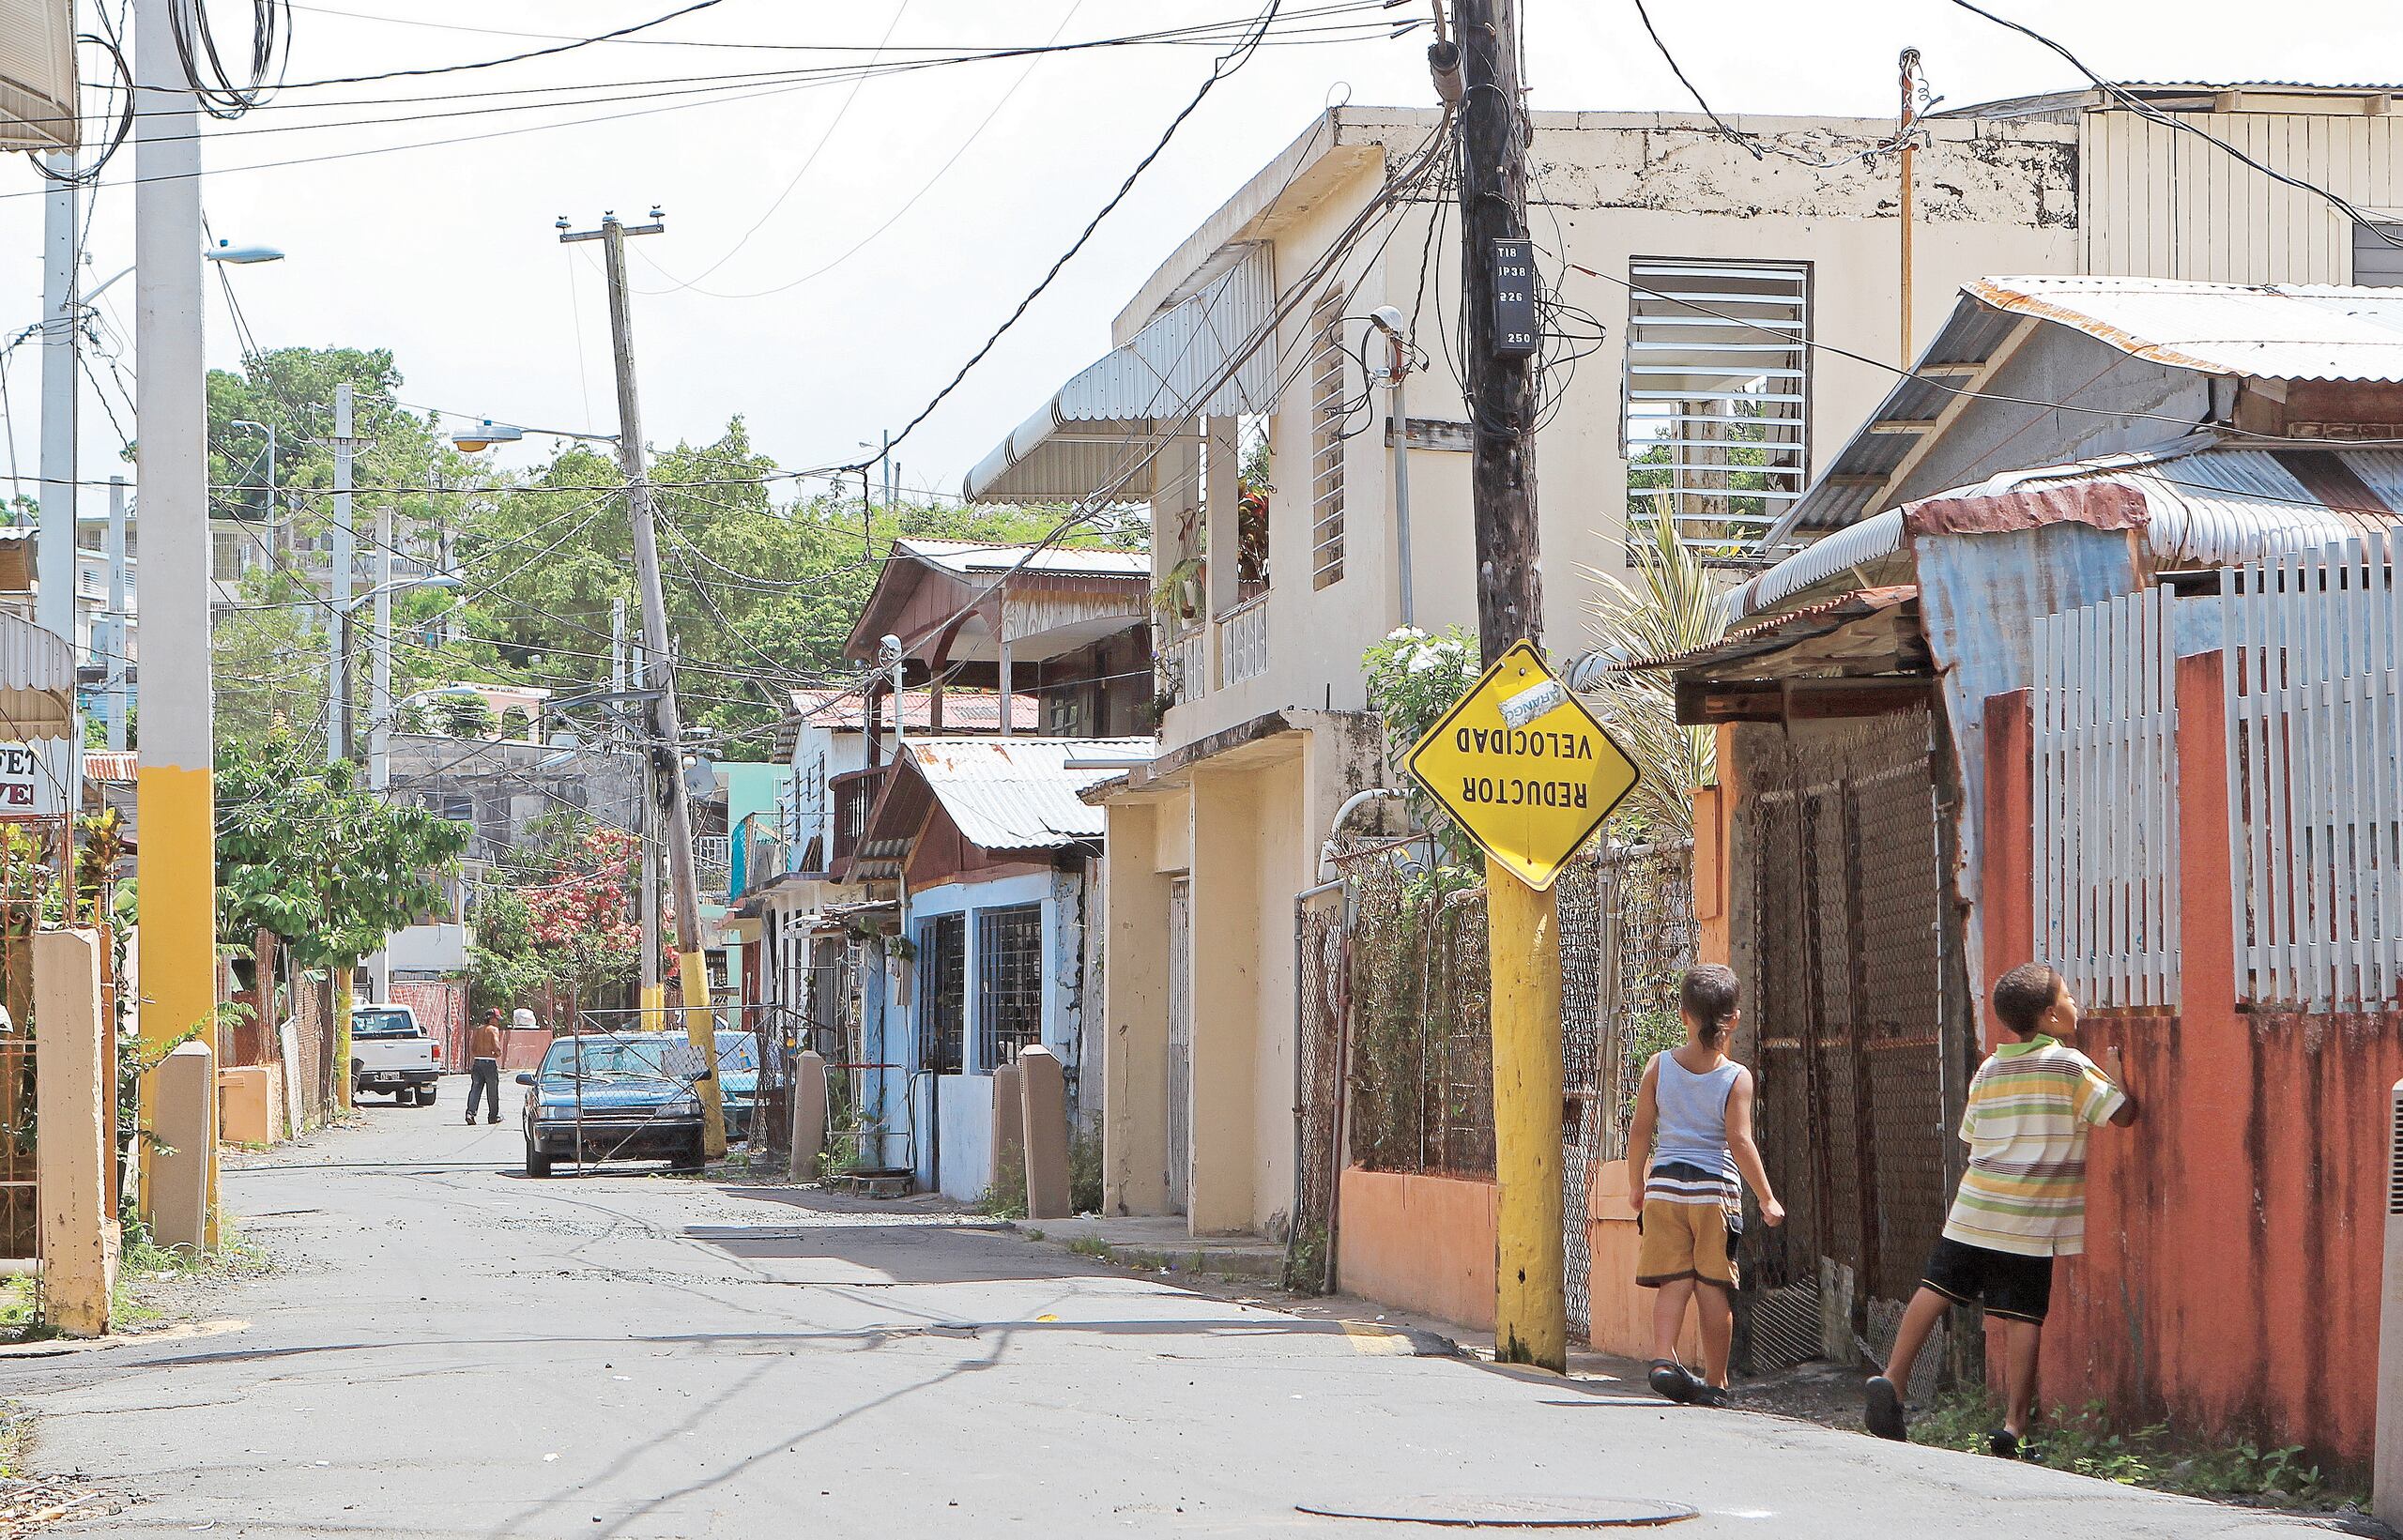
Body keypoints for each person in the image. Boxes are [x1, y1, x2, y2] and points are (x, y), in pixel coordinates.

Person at [1864, 962, 2136, 1458]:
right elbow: (2121, 1115)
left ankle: (1893, 1377)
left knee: (1936, 1288)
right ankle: (2012, 1425)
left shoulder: (1989, 1068)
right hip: (2030, 1220)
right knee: (2023, 1316)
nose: (2077, 1003)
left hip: (1974, 1206)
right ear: (2052, 1017)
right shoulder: (2069, 1065)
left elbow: (1972, 1137)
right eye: (2070, 997)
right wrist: (2117, 1078)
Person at [1625, 964, 1784, 1407]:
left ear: (1683, 1015)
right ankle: (1717, 1382)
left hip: (1664, 1190)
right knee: (1712, 1286)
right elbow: (1739, 1140)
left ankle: (1662, 1359)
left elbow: (1640, 1130)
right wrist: (1767, 1198)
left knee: (1674, 1281)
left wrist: (1636, 1184)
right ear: (1734, 1019)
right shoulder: (1736, 1078)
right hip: (1714, 1192)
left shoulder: (1659, 1067)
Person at [465, 1008, 505, 1127]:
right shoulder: (493, 1030)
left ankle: (470, 1113)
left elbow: (472, 1048)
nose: (498, 1022)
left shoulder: (478, 1030)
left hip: (477, 1062)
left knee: (475, 1088)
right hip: (489, 1062)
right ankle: (493, 1116)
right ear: (491, 1019)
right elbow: (497, 1048)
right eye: (496, 1019)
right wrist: (496, 1054)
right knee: (492, 1090)